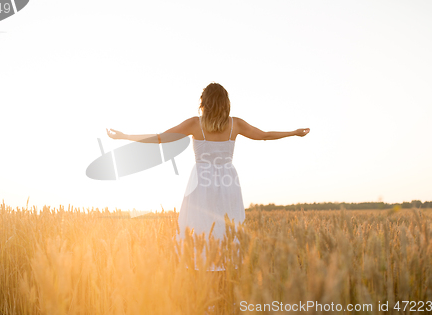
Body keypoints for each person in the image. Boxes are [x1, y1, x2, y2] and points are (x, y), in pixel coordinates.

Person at [107, 83, 310, 271]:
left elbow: (160, 138)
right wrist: (293, 132)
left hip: (201, 181)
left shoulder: (195, 124)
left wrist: (125, 136)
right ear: (226, 103)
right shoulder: (235, 124)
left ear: (204, 102)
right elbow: (264, 135)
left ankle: (199, 272)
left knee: (198, 225)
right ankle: (226, 271)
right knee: (227, 225)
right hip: (228, 180)